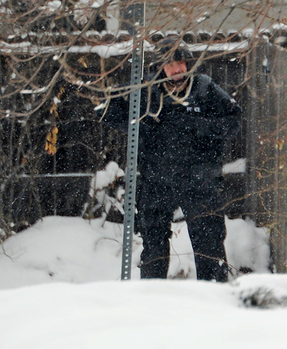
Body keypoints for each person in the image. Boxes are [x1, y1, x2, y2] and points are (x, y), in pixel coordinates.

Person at [102, 38, 241, 281]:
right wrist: (140, 124)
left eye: (180, 63)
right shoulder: (147, 92)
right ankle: (151, 301)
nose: (176, 70)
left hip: (200, 181)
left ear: (188, 65)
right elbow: (107, 112)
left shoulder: (204, 89)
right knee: (154, 246)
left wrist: (199, 127)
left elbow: (233, 121)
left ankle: (215, 301)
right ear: (161, 68)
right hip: (158, 180)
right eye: (169, 65)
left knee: (209, 243)